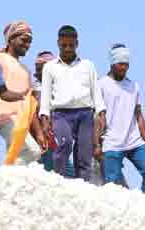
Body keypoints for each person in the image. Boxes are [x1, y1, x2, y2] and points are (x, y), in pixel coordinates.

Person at [39, 25, 104, 181]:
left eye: (71, 45)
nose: (67, 49)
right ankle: (57, 182)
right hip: (61, 114)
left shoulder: (88, 66)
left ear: (77, 44)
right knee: (65, 143)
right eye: (64, 45)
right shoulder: (49, 67)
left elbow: (96, 91)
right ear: (58, 43)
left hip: (85, 114)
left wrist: (101, 113)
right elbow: (46, 94)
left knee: (84, 156)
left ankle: (83, 187)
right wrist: (44, 118)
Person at [98, 44, 145, 195]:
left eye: (126, 64)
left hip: (134, 142)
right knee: (113, 185)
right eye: (121, 64)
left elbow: (139, 115)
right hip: (111, 142)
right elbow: (98, 116)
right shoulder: (101, 84)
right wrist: (96, 143)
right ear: (112, 63)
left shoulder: (134, 86)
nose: (124, 68)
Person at [0, 21, 44, 165]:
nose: (27, 45)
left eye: (30, 42)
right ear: (11, 39)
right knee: (32, 151)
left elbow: (30, 104)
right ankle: (5, 175)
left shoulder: (26, 71)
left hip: (22, 122)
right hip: (4, 118)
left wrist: (39, 132)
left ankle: (7, 182)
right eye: (24, 40)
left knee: (15, 156)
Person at [34, 50, 57, 171]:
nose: (36, 73)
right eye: (36, 69)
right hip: (42, 138)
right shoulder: (35, 89)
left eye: (39, 69)